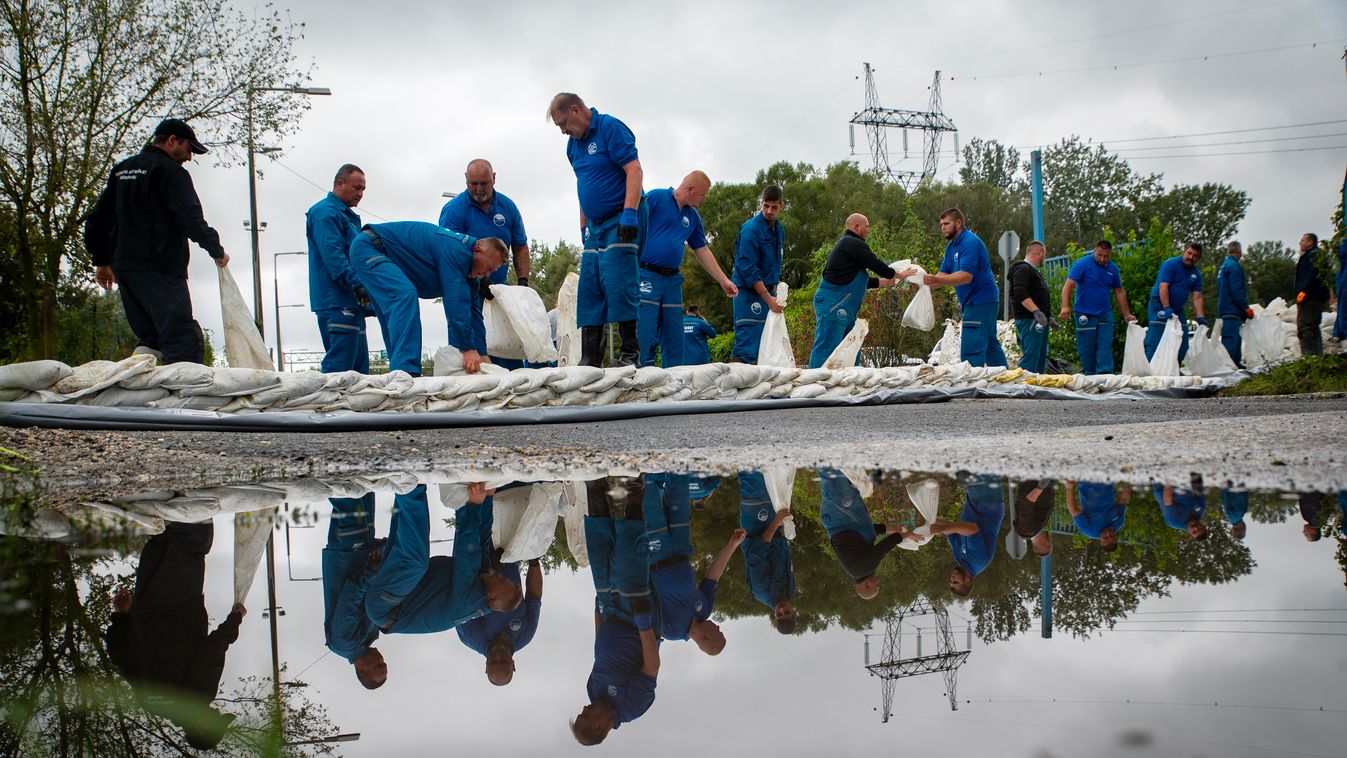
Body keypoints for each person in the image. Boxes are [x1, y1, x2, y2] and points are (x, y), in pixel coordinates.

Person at [84, 118, 229, 365]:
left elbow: (97, 218)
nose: (189, 157)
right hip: (160, 267)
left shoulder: (121, 170)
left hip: (126, 269)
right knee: (181, 337)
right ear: (172, 141)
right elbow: (188, 217)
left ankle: (140, 392)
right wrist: (215, 248)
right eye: (188, 148)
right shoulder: (170, 172)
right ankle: (185, 398)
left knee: (150, 338)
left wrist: (102, 260)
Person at [105, 520, 243, 749]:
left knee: (191, 536)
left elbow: (211, 651)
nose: (217, 712)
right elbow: (120, 655)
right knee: (161, 536)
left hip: (179, 604)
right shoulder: (152, 704)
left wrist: (235, 620)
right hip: (145, 607)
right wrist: (122, 616)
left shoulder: (197, 698)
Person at [548, 93, 645, 367]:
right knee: (589, 286)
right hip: (594, 224)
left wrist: (630, 213)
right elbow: (584, 186)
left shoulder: (609, 128)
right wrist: (582, 224)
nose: (563, 130)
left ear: (577, 110)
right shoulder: (572, 146)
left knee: (618, 281)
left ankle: (630, 355)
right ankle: (591, 358)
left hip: (620, 217)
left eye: (564, 123)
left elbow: (634, 170)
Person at [363, 484, 522, 648]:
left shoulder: (469, 601)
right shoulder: (485, 579)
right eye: (505, 578)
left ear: (492, 601)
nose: (500, 575)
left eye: (502, 582)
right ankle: (404, 483)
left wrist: (474, 504)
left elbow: (466, 549)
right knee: (405, 522)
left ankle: (409, 484)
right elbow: (481, 539)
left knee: (414, 561)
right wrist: (487, 498)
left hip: (385, 608)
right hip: (400, 595)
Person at [349, 222, 508, 376]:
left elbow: (473, 312)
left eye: (491, 272)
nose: (486, 275)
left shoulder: (471, 273)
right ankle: (407, 373)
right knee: (404, 295)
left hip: (385, 255)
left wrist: (482, 353)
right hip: (371, 248)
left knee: (396, 307)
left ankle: (399, 372)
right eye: (487, 268)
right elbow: (456, 304)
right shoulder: (456, 251)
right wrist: (468, 348)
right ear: (478, 249)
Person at [573, 475, 658, 744]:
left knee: (600, 543)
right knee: (628, 545)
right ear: (600, 728)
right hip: (633, 616)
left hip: (608, 609)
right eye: (585, 716)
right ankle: (632, 482)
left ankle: (595, 480)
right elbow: (652, 666)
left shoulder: (592, 691)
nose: (584, 709)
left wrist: (598, 615)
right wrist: (644, 624)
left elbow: (601, 655)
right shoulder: (631, 707)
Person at [637, 171, 737, 367]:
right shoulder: (658, 196)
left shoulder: (693, 217)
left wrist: (723, 280)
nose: (704, 199)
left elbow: (702, 249)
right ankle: (637, 373)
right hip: (646, 275)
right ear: (691, 189)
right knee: (644, 331)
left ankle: (674, 381)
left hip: (672, 280)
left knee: (675, 334)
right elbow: (636, 221)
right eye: (703, 194)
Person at [439, 159, 532, 369]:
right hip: (467, 290)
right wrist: (481, 279)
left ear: (494, 179)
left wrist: (523, 282)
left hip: (499, 292)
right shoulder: (454, 210)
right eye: (473, 183)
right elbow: (450, 253)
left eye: (484, 183)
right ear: (466, 179)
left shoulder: (507, 207)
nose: (479, 188)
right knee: (471, 352)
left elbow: (520, 246)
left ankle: (512, 387)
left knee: (508, 348)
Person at [643, 473, 742, 653]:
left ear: (706, 638)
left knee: (646, 492)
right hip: (681, 548)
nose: (719, 627)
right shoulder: (705, 610)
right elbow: (712, 577)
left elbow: (642, 606)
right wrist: (731, 545)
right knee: (679, 484)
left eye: (718, 632)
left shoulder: (671, 631)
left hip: (654, 555)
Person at [898, 209, 1007, 367]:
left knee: (972, 346)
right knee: (990, 345)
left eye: (946, 224)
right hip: (979, 302)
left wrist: (935, 279)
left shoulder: (970, 242)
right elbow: (943, 275)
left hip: (979, 300)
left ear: (958, 223)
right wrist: (925, 284)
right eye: (941, 224)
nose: (942, 227)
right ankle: (1004, 380)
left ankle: (972, 385)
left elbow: (965, 276)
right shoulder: (951, 247)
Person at [308, 164, 379, 373]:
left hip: (352, 301)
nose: (360, 194)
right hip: (336, 301)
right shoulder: (325, 213)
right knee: (340, 369)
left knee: (358, 372)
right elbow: (334, 256)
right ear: (340, 184)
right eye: (357, 188)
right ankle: (330, 405)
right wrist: (357, 283)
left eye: (363, 189)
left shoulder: (347, 216)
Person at [807, 214, 897, 368]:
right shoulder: (852, 243)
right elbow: (876, 264)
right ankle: (815, 384)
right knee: (827, 346)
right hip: (833, 303)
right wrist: (896, 273)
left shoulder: (849, 248)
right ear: (856, 227)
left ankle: (847, 384)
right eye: (867, 226)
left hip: (846, 308)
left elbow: (862, 281)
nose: (868, 230)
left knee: (851, 349)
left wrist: (886, 282)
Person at [321, 493, 386, 689]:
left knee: (347, 496)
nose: (381, 659)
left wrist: (372, 571)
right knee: (364, 490)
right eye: (384, 663)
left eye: (378, 665)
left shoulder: (344, 643)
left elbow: (350, 598)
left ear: (362, 670)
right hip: (362, 553)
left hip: (347, 557)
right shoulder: (368, 638)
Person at [817, 468, 912, 599]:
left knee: (830, 469)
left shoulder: (863, 570)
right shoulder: (857, 569)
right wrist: (890, 528)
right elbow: (863, 533)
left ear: (867, 585)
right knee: (840, 468)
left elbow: (884, 547)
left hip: (842, 513)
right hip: (844, 516)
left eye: (876, 585)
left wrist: (906, 535)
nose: (878, 582)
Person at [456, 555, 543, 687]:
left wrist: (487, 568)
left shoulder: (471, 636)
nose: (497, 656)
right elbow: (534, 596)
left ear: (486, 666)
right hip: (511, 554)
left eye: (493, 662)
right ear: (513, 664)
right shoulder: (526, 635)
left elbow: (460, 592)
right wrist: (534, 561)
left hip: (478, 553)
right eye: (502, 661)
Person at [1059, 240, 1136, 374]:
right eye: (1099, 255)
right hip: (1085, 314)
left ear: (1110, 255)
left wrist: (1126, 314)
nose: (1102, 259)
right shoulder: (1082, 264)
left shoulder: (1113, 269)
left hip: (1105, 313)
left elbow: (1119, 291)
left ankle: (1105, 375)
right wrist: (1065, 306)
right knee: (1087, 349)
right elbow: (1069, 285)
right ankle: (1090, 376)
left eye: (1106, 256)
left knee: (1105, 346)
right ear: (1095, 250)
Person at [730, 185, 786, 363]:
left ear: (781, 206)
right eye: (765, 205)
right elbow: (747, 267)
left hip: (769, 291)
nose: (769, 211)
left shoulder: (779, 230)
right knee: (748, 346)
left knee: (769, 345)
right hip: (749, 292)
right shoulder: (750, 230)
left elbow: (774, 263)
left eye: (774, 207)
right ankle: (732, 386)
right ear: (761, 204)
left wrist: (775, 292)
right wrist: (768, 299)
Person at [737, 470, 797, 632]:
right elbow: (783, 556)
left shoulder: (761, 591)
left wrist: (776, 520)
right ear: (794, 612)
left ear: (774, 616)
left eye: (778, 614)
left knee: (752, 474)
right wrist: (783, 530)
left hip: (755, 524)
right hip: (775, 527)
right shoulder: (791, 589)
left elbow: (757, 552)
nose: (781, 609)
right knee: (772, 475)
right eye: (786, 612)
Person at [929, 473, 1005, 597]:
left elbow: (950, 531)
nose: (951, 578)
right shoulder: (978, 562)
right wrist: (943, 527)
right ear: (968, 581)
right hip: (989, 505)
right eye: (956, 581)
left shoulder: (959, 558)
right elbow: (972, 529)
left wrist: (930, 522)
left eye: (950, 581)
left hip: (974, 502)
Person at [1143, 243, 1206, 363]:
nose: (1191, 257)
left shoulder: (1196, 274)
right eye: (1189, 253)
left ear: (1198, 258)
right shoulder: (1170, 264)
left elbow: (1197, 297)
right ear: (1184, 251)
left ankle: (1174, 367)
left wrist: (1200, 316)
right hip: (1159, 305)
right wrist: (1167, 307)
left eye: (1195, 255)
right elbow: (1163, 287)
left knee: (1182, 338)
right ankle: (1150, 367)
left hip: (1178, 309)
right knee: (1156, 337)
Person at [1008, 240, 1053, 374]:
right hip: (1030, 320)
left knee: (1038, 359)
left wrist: (1048, 317)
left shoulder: (1031, 271)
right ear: (1040, 253)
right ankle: (1024, 388)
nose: (1044, 258)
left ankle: (1035, 388)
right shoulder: (1023, 269)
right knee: (1031, 358)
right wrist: (1036, 311)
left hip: (1037, 320)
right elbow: (1020, 292)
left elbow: (1037, 295)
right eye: (1044, 254)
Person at [1216, 241, 1253, 368]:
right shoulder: (1234, 267)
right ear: (1239, 252)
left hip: (1225, 309)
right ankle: (1230, 367)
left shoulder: (1224, 266)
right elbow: (1237, 289)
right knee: (1231, 341)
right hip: (1232, 310)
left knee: (1234, 339)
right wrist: (1245, 307)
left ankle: (1235, 365)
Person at [1294, 233, 1331, 357]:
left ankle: (1309, 358)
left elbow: (1312, 274)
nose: (1300, 243)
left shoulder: (1313, 255)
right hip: (1314, 296)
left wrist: (1304, 291)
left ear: (1310, 242)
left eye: (1303, 240)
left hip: (1310, 298)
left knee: (1305, 327)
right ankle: (1317, 358)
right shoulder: (1314, 255)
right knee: (1314, 327)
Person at [1066, 481, 1131, 551]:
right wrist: (1127, 482)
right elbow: (1123, 499)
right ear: (1116, 537)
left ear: (1101, 541)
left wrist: (1069, 488)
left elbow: (1073, 510)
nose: (1108, 533)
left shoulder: (1088, 530)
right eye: (1112, 536)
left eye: (1105, 537)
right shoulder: (1119, 522)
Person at [1013, 479, 1056, 557]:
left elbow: (1026, 506)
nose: (1051, 539)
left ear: (1045, 544)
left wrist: (1040, 487)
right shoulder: (1034, 530)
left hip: (1034, 481)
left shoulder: (1028, 531)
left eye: (1051, 542)